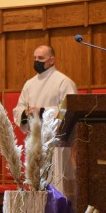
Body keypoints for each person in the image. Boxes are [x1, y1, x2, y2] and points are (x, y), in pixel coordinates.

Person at [12, 45, 77, 195]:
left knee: (57, 189)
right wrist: (25, 113)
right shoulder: (29, 84)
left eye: (41, 58)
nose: (37, 61)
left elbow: (70, 110)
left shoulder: (64, 82)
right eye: (35, 58)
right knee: (36, 188)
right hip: (35, 143)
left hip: (57, 144)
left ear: (52, 60)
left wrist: (42, 111)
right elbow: (18, 108)